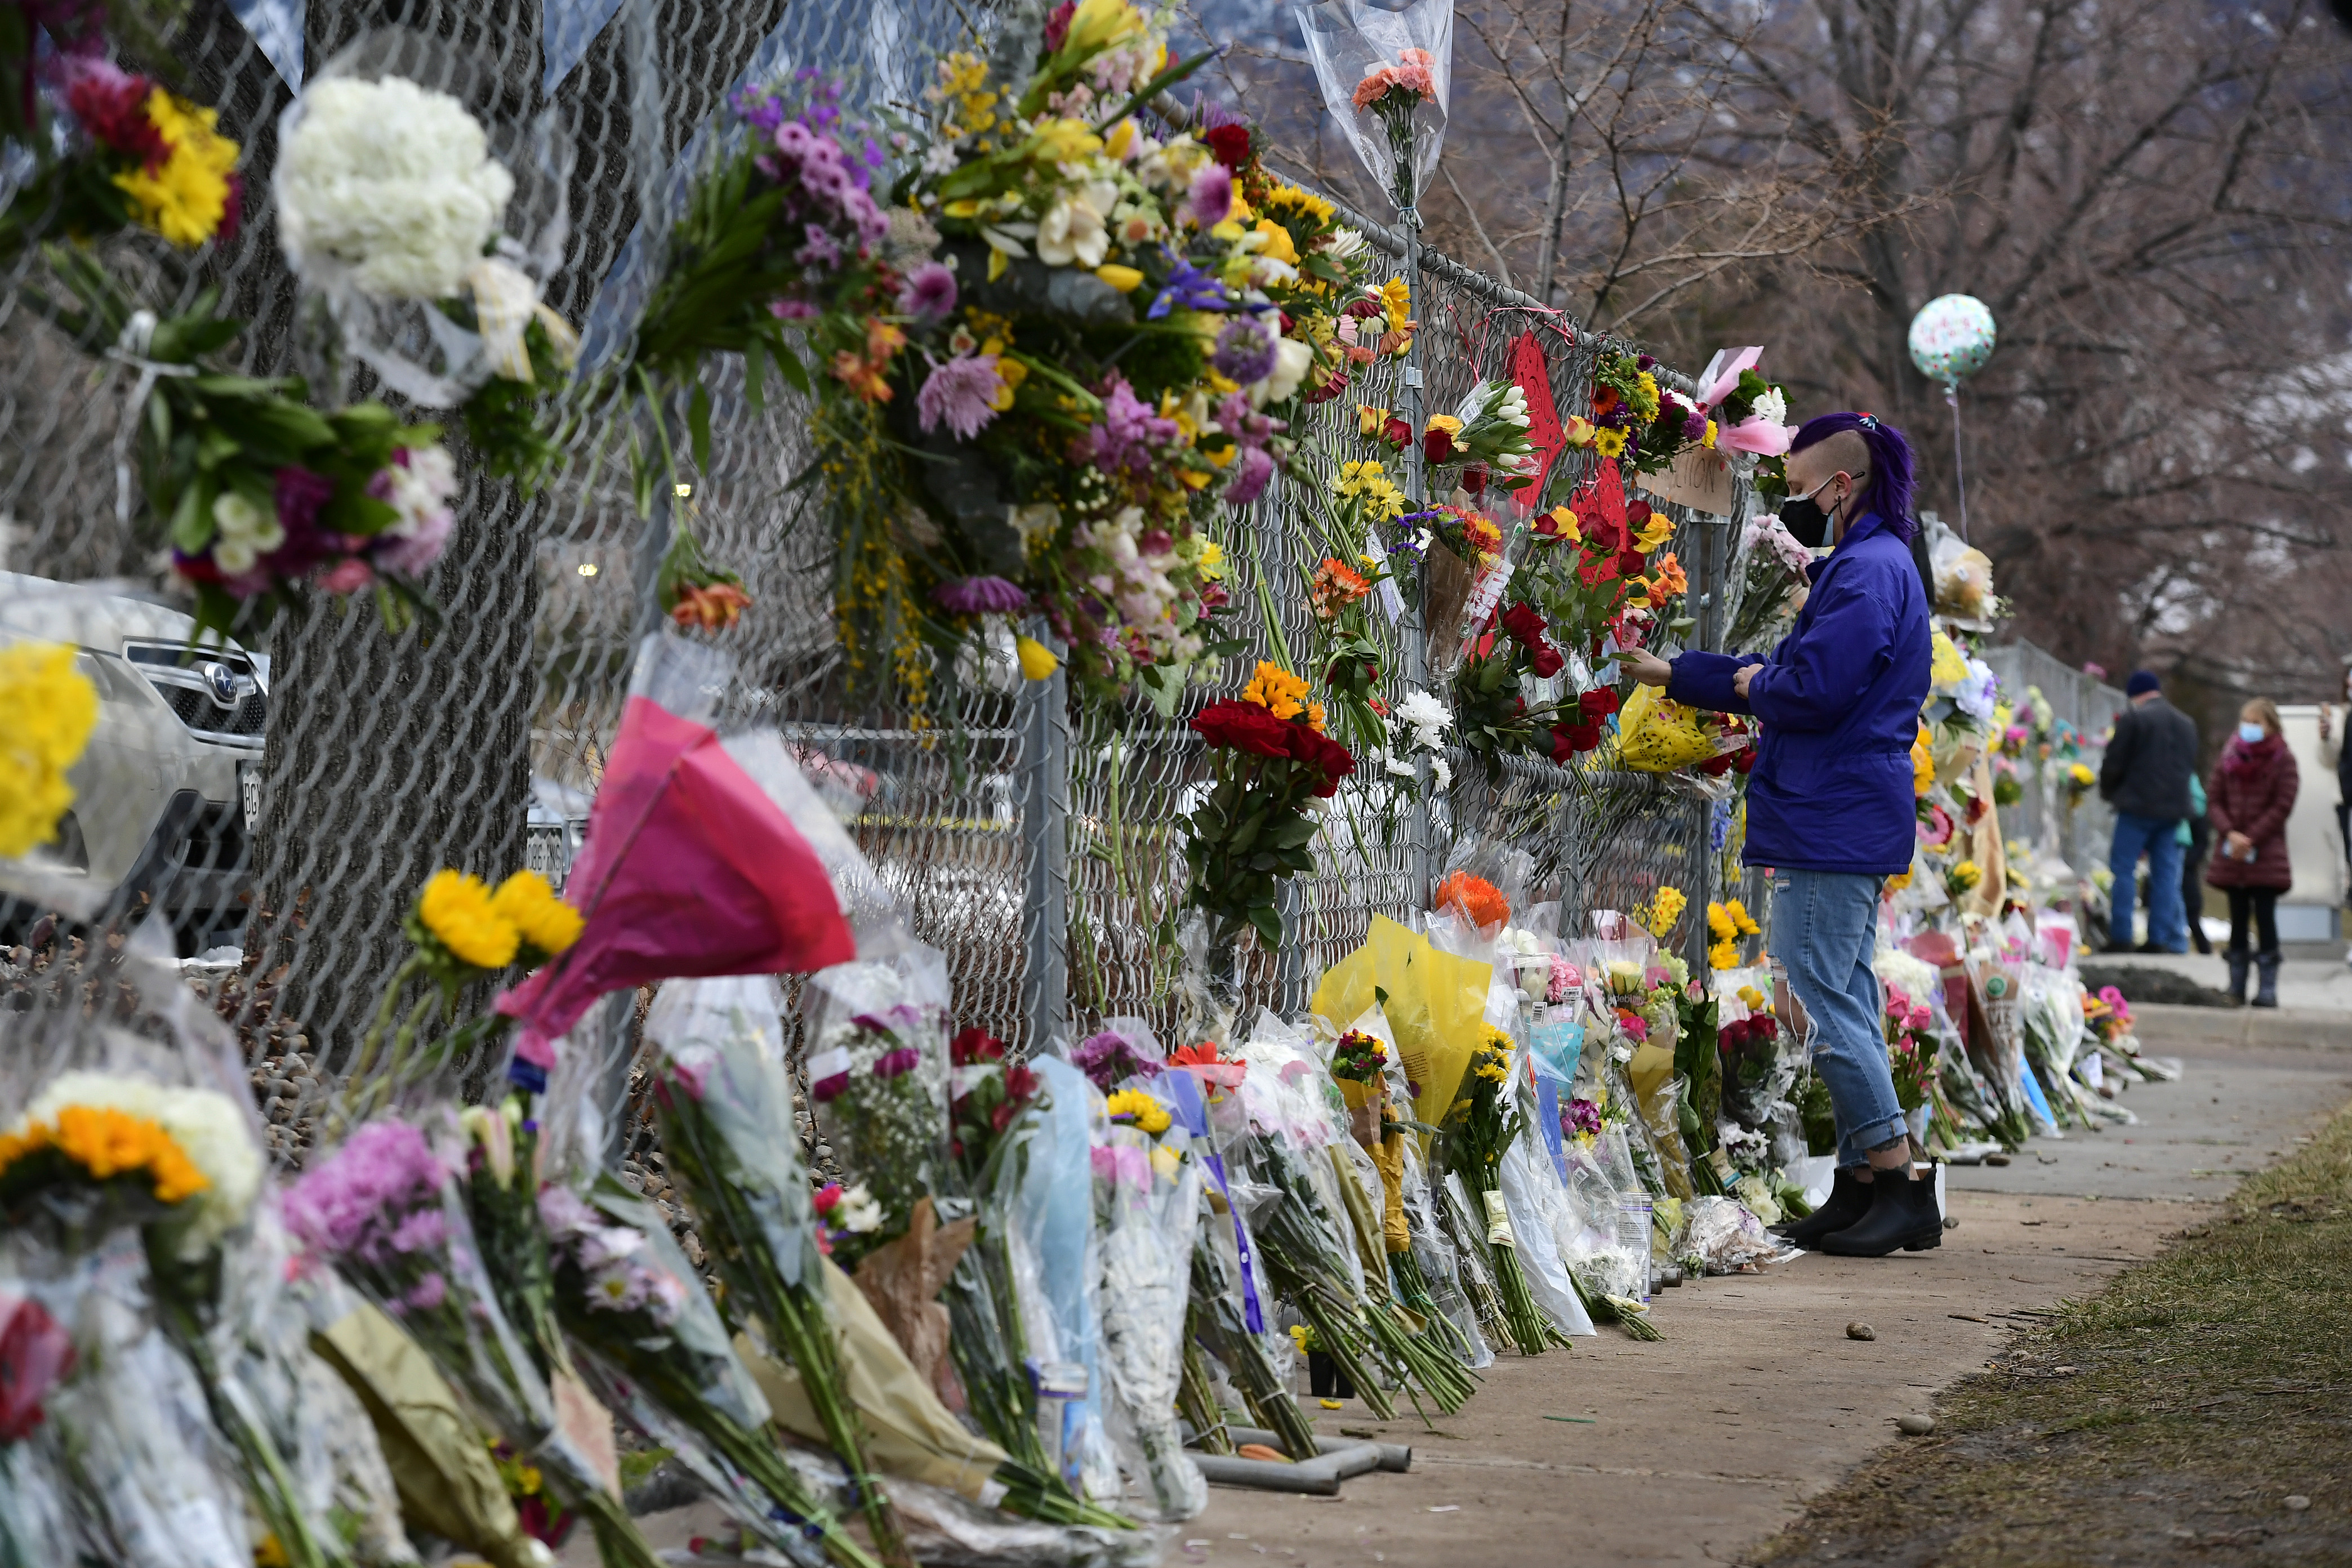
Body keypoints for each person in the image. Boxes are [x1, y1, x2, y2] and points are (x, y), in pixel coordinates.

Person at [1625, 412, 1934, 1258]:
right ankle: (1863, 1183)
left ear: (1842, 486)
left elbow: (1812, 691)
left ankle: (1900, 1182)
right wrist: (1679, 673)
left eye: (1798, 488)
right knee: (1845, 994)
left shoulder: (1866, 572)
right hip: (1839, 806)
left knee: (1821, 996)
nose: (1790, 503)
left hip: (1831, 811)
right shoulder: (1871, 563)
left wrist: (1758, 683)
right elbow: (1799, 677)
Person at [2096, 670, 2199, 954]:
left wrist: (2109, 792)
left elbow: (2115, 761)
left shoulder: (2134, 719)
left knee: (2124, 870)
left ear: (2135, 694)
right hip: (2174, 811)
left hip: (2137, 808)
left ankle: (2122, 936)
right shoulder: (2187, 724)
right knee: (2165, 876)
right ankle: (2158, 939)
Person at [2206, 697, 2298, 1008]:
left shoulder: (2283, 759)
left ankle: (2267, 987)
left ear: (2271, 726)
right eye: (2246, 720)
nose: (2249, 727)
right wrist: (2230, 833)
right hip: (2233, 854)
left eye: (2256, 722)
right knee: (2237, 917)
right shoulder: (2229, 756)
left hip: (2265, 853)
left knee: (2265, 917)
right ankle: (2236, 985)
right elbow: (2214, 799)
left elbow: (2283, 804)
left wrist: (2251, 838)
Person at [2179, 773, 2212, 956]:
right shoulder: (2198, 809)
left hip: (2187, 869)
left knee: (2192, 916)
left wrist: (2187, 862)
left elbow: (2202, 842)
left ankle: (2203, 951)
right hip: (2186, 867)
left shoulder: (2196, 813)